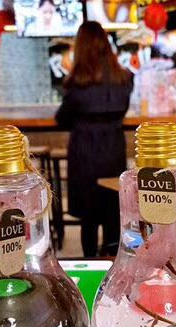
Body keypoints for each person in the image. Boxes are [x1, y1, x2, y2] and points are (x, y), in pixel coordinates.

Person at [56, 21, 132, 256]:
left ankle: (90, 261)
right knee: (112, 211)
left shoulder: (76, 82)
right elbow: (123, 110)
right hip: (113, 148)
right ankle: (111, 262)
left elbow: (62, 119)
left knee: (88, 217)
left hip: (84, 151)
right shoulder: (124, 78)